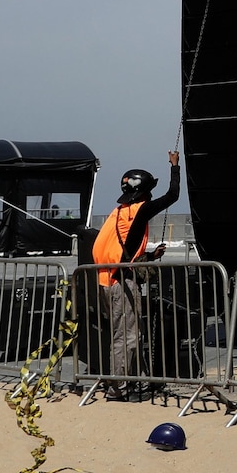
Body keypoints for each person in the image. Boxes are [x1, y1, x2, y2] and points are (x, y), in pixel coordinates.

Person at [92, 151, 180, 401]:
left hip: (106, 281)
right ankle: (118, 389)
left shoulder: (119, 213)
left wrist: (150, 255)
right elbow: (172, 195)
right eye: (149, 190)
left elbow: (124, 249)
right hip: (121, 284)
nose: (151, 195)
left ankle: (137, 381)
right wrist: (175, 166)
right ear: (142, 192)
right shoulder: (140, 210)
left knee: (129, 334)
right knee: (126, 337)